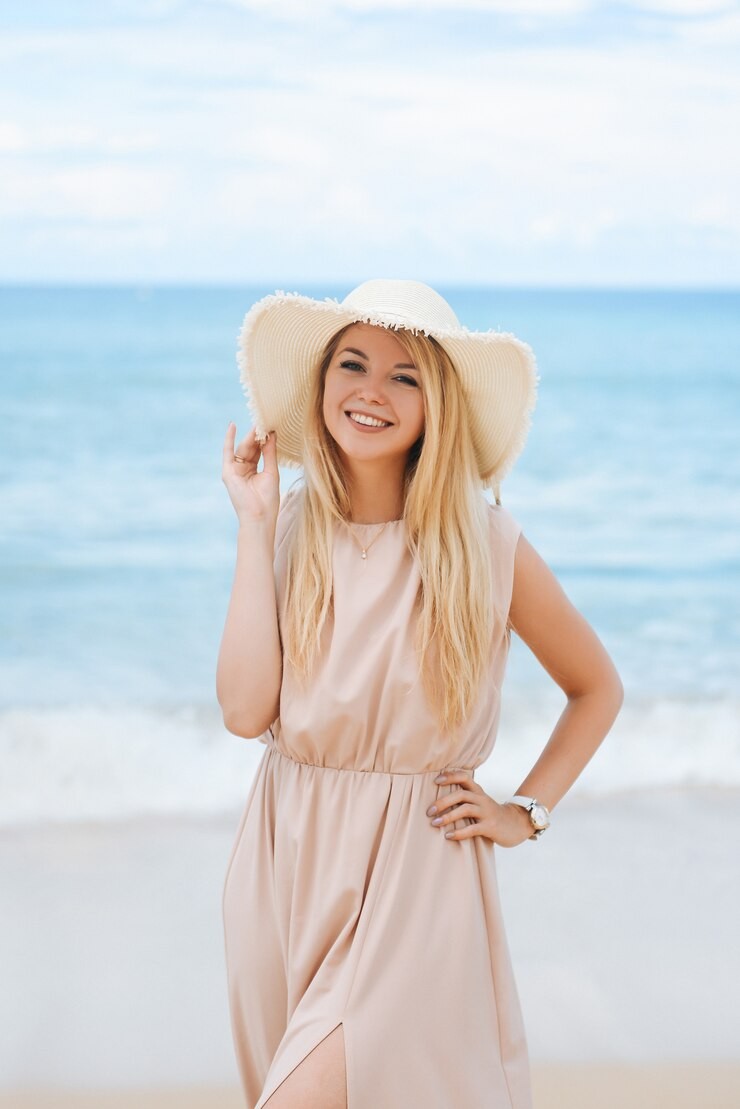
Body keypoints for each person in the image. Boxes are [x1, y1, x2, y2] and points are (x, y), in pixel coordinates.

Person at [217, 279, 624, 1109]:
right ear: (322, 384)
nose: (371, 391)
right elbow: (243, 710)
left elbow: (596, 687)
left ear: (435, 402)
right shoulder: (289, 528)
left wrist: (524, 813)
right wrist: (253, 525)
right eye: (352, 364)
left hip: (417, 880)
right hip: (284, 865)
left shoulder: (485, 543)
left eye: (404, 375)